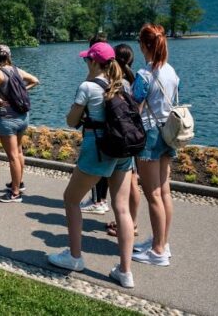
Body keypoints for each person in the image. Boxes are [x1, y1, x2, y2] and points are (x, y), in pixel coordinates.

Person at [48, 42, 136, 289]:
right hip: (124, 152)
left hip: (98, 151)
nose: (85, 62)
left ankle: (75, 257)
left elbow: (71, 120)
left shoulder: (87, 86)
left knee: (71, 199)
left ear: (95, 62)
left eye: (87, 59)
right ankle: (125, 272)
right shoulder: (125, 85)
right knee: (122, 209)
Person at [131, 24, 179, 267]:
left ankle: (157, 251)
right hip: (168, 133)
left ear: (143, 45)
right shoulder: (171, 71)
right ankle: (162, 241)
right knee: (164, 192)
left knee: (152, 195)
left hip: (149, 135)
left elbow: (133, 105)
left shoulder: (144, 74)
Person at [0, 44, 39, 203]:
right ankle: (19, 183)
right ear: (9, 56)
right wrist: (23, 91)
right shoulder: (17, 70)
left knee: (12, 157)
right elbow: (36, 80)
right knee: (19, 152)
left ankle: (15, 193)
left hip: (8, 119)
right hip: (23, 118)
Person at [106, 44, 142, 238]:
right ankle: (131, 222)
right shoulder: (134, 79)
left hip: (123, 137)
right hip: (136, 134)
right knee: (133, 181)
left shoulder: (117, 82)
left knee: (126, 186)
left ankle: (129, 223)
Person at [80, 33, 112, 215]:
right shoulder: (115, 77)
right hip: (113, 131)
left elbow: (76, 113)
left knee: (94, 165)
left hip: (95, 130)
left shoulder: (92, 80)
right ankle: (102, 200)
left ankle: (96, 200)